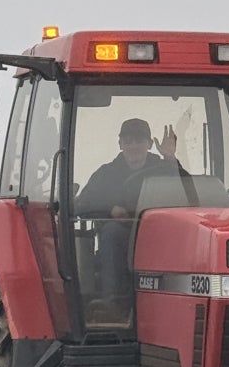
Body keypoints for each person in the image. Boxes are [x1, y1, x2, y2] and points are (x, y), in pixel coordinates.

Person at [75, 118, 185, 305]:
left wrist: (170, 158)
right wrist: (111, 209)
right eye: (128, 141)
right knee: (112, 232)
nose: (133, 146)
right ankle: (113, 301)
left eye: (139, 140)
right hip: (123, 237)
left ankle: (178, 297)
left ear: (149, 144)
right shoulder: (106, 174)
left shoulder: (165, 168)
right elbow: (81, 203)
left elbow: (186, 190)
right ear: (120, 144)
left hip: (160, 234)